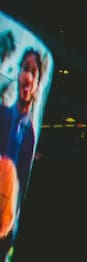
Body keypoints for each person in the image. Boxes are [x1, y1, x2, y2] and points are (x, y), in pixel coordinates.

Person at [0, 47, 44, 206]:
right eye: (25, 68)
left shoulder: (31, 135)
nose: (28, 77)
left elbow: (23, 180)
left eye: (34, 73)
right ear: (18, 73)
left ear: (38, 85)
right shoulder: (1, 113)